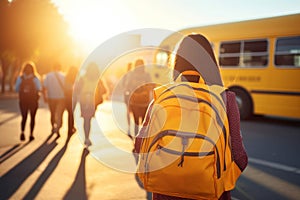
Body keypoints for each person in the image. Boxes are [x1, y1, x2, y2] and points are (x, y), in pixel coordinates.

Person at [134, 34, 248, 200]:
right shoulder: (225, 99)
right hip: (211, 192)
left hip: (165, 192)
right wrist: (222, 180)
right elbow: (239, 156)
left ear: (176, 63)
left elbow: (140, 145)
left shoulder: (162, 97)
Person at [74, 62, 107, 147]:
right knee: (88, 119)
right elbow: (104, 90)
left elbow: (77, 89)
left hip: (84, 100)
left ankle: (86, 138)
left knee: (86, 119)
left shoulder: (83, 78)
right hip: (93, 101)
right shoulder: (98, 78)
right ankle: (87, 137)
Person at [125, 59, 153, 137]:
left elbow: (127, 87)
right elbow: (151, 86)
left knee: (136, 123)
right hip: (145, 102)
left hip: (134, 102)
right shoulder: (147, 75)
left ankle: (136, 143)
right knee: (144, 124)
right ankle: (142, 142)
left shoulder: (132, 75)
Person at [15, 61, 42, 141]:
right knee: (32, 118)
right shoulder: (35, 78)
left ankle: (22, 132)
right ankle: (31, 134)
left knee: (24, 117)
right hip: (33, 101)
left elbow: (16, 89)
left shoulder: (20, 78)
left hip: (23, 101)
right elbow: (38, 88)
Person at [42, 62, 65, 137]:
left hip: (51, 97)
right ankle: (58, 127)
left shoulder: (48, 76)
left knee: (52, 113)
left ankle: (53, 126)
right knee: (59, 114)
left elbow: (44, 87)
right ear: (60, 67)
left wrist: (44, 97)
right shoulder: (63, 75)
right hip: (61, 98)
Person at [64, 66, 78, 136]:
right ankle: (71, 128)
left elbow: (65, 87)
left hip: (67, 97)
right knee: (71, 113)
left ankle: (70, 128)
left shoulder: (66, 77)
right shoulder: (77, 78)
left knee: (70, 113)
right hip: (73, 97)